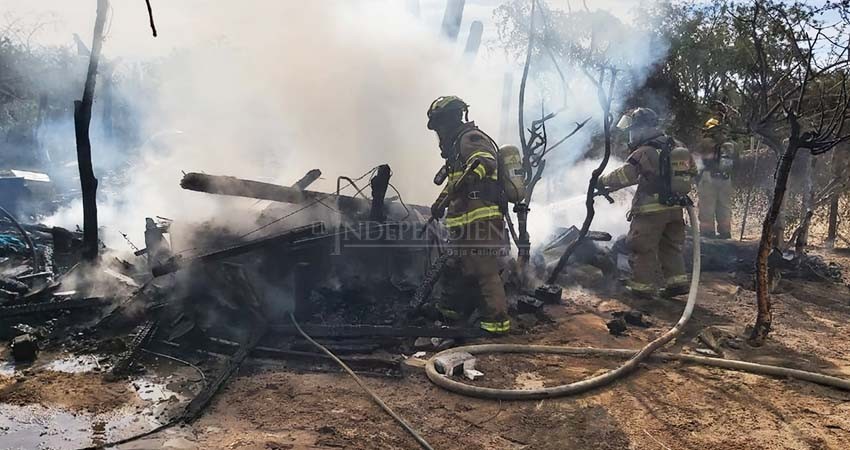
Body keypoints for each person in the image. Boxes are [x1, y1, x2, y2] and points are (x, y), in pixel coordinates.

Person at [427, 95, 510, 333]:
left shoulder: (470, 139)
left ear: (450, 120)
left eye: (440, 125)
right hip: (463, 222)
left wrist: (468, 178)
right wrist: (439, 203)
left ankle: (496, 325)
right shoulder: (455, 151)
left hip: (482, 219)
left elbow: (485, 161)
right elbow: (453, 184)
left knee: (484, 270)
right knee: (457, 267)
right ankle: (452, 315)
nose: (439, 132)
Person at [597, 107, 696, 298]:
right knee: (670, 247)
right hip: (676, 208)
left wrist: (601, 180)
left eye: (633, 130)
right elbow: (692, 171)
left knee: (642, 247)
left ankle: (641, 288)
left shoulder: (644, 151)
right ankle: (677, 283)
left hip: (650, 211)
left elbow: (625, 175)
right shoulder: (677, 145)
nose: (631, 134)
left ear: (642, 129)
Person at [695, 118, 736, 239]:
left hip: (708, 177)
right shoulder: (731, 144)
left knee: (707, 207)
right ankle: (725, 232)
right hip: (726, 179)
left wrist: (696, 177)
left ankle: (708, 234)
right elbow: (737, 161)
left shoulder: (704, 143)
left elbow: (696, 161)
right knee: (724, 206)